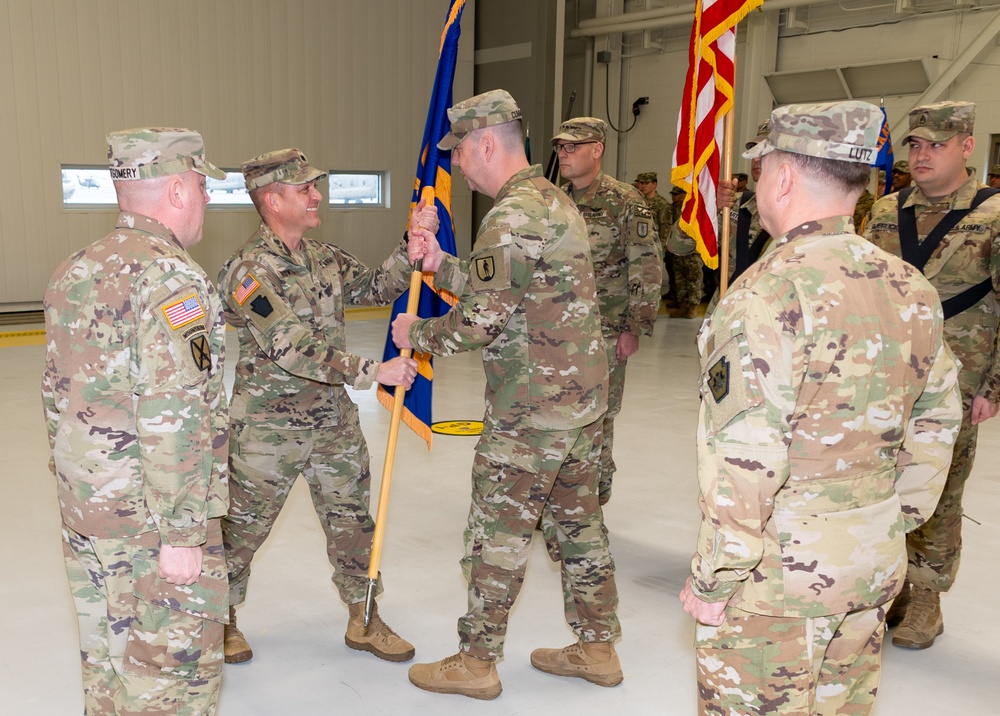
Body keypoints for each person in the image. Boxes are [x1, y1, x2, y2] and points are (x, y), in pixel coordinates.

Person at [679, 100, 962, 714]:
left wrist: (715, 575)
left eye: (760, 173)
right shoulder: (909, 284)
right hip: (871, 560)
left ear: (782, 176)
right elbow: (939, 419)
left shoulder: (766, 292)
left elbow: (746, 454)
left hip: (779, 582)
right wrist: (890, 516)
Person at [393, 89, 621, 700]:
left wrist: (417, 333)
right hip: (580, 402)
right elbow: (513, 287)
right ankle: (598, 648)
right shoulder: (549, 201)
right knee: (580, 527)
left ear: (486, 143)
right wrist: (441, 264)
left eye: (461, 152)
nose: (457, 166)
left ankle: (476, 660)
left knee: (497, 532)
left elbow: (479, 322)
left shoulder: (510, 214)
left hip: (532, 410)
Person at [217, 148, 436, 665]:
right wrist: (370, 372)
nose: (318, 195)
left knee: (353, 526)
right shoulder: (249, 271)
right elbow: (288, 345)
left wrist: (412, 244)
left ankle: (364, 618)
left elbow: (377, 286)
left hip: (331, 425)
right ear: (273, 200)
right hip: (269, 432)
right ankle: (219, 620)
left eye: (316, 186)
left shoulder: (323, 256)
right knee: (240, 533)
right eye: (305, 189)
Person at [42, 127, 230, 714]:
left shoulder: (74, 268)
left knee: (106, 668)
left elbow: (57, 397)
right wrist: (182, 534)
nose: (206, 199)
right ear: (177, 190)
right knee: (169, 683)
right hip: (150, 524)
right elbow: (173, 415)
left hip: (89, 514)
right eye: (202, 185)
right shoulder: (172, 278)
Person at [865, 100, 1000, 650]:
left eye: (935, 145)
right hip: (884, 377)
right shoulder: (883, 211)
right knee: (882, 479)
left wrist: (993, 386)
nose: (922, 155)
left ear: (967, 147)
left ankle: (928, 599)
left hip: (959, 379)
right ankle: (892, 584)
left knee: (941, 486)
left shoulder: (993, 214)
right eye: (915, 145)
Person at [553, 116, 662, 503]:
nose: (564, 154)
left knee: (600, 415)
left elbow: (646, 265)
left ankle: (593, 495)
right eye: (561, 147)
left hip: (607, 330)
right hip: (559, 331)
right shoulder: (555, 201)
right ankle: (562, 493)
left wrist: (634, 326)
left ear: (596, 150)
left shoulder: (625, 201)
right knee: (561, 410)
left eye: (573, 147)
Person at [632, 171, 673, 299]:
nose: (642, 186)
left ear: (654, 184)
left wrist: (661, 251)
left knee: (652, 283)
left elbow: (665, 229)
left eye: (646, 183)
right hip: (635, 248)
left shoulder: (662, 204)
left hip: (653, 249)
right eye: (640, 183)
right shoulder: (635, 201)